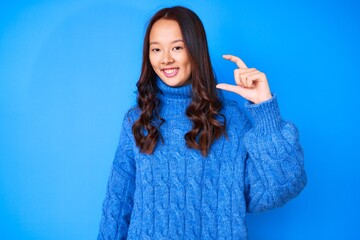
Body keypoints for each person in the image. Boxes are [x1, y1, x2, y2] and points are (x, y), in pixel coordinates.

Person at [97, 6, 307, 240]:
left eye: (177, 47)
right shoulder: (137, 120)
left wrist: (265, 110)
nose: (165, 58)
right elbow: (117, 206)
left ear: (195, 50)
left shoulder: (230, 119)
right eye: (156, 49)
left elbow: (282, 188)